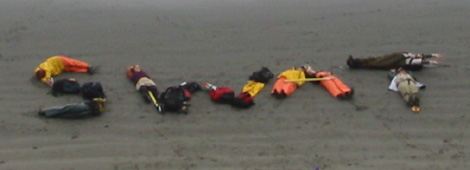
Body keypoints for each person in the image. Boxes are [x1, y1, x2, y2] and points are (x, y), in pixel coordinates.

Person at [347, 52, 444, 70]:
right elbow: (417, 58)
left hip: (391, 62)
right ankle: (356, 62)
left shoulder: (407, 60)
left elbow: (417, 60)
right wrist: (432, 56)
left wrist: (431, 60)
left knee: (374, 63)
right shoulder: (406, 56)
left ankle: (356, 64)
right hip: (393, 58)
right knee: (373, 60)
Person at [38, 98, 106, 119]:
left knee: (65, 109)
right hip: (87, 112)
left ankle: (46, 112)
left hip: (85, 107)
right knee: (65, 114)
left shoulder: (97, 103)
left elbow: (93, 100)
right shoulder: (100, 109)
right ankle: (48, 114)